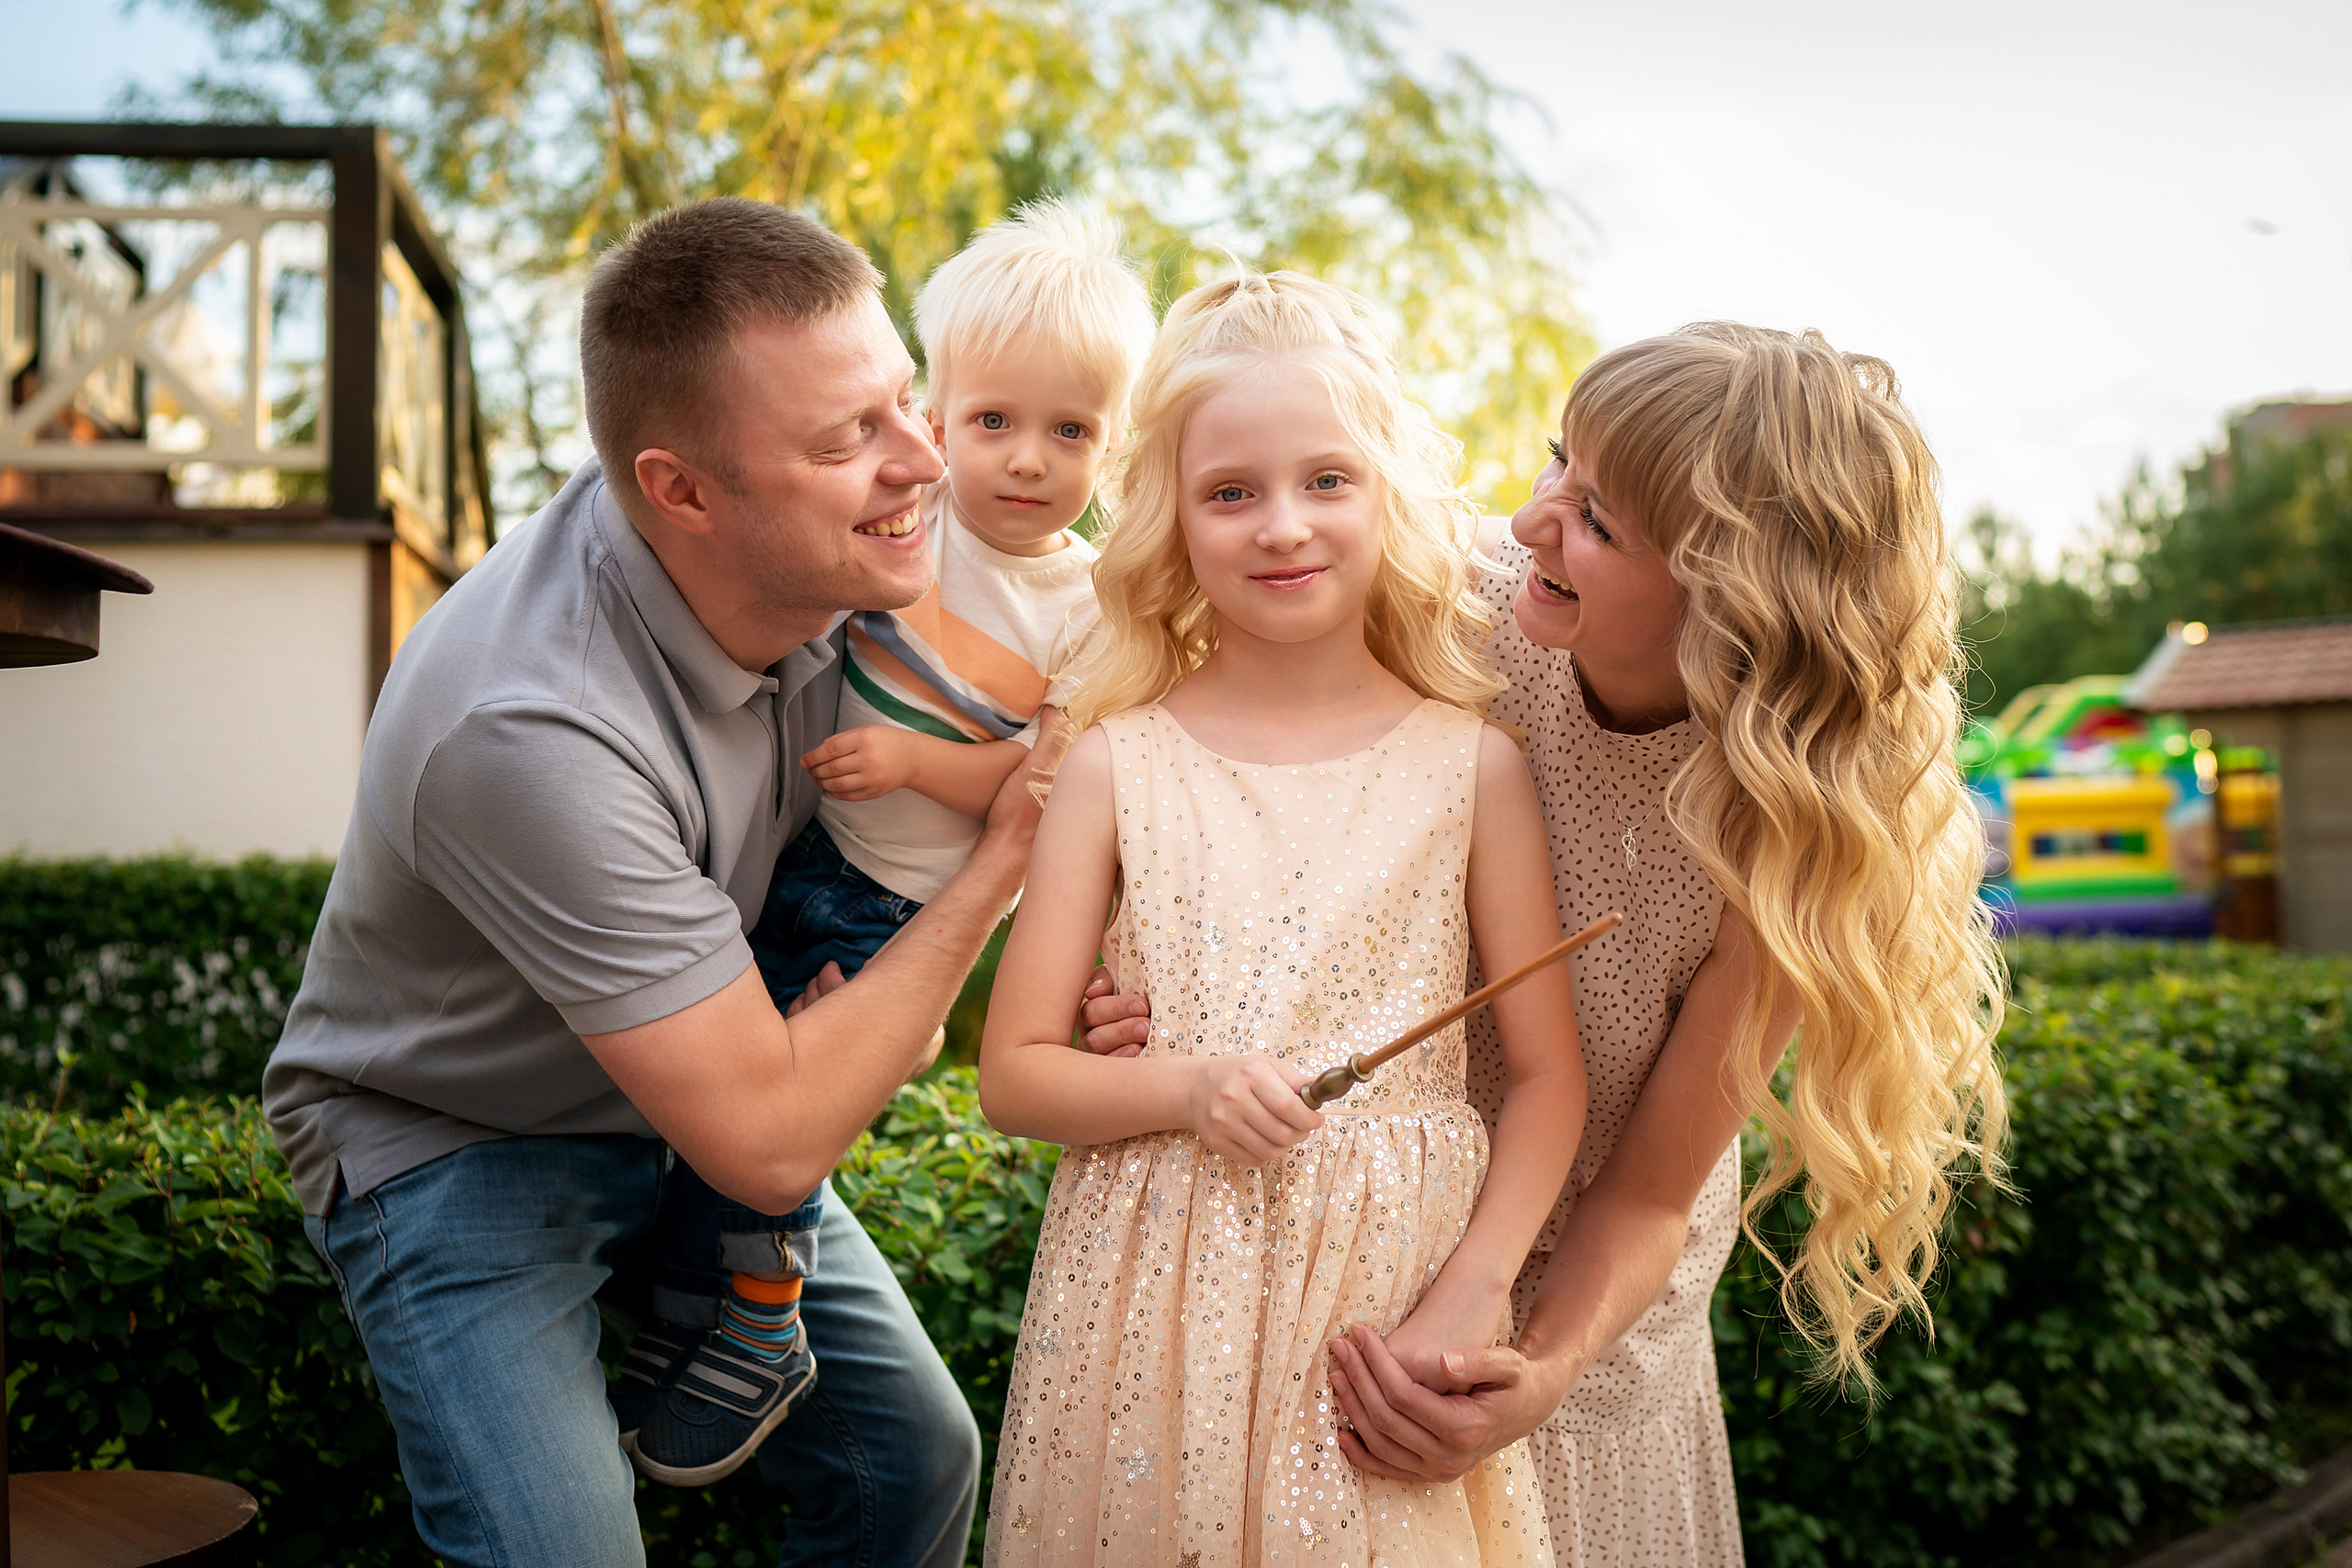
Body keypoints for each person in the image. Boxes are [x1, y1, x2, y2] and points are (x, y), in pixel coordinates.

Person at [1082, 322, 2010, 1564]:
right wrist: (1152, 987)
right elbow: (1213, 782)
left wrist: (1537, 1362)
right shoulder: (1446, 607)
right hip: (1345, 1275)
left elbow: (1648, 1194)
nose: (1528, 525)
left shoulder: (1798, 830)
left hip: (1569, 1348)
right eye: (1554, 466)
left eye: (1597, 523)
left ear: (1730, 604)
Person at [262, 197, 1034, 1568]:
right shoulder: (528, 726)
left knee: (912, 1459)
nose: (924, 462)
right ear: (680, 489)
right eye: (850, 436)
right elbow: (772, 1139)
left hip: (691, 1069)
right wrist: (1008, 866)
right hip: (456, 1136)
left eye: (906, 399)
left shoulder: (831, 564)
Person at [977, 270, 1585, 1566]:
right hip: (1146, 1323)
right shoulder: (1112, 764)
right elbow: (1015, 1077)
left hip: (1383, 1320)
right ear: (1173, 521)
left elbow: (1545, 1081)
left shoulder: (1469, 766)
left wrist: (1476, 1290)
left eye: (1327, 481)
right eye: (1231, 492)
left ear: (1388, 497)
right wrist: (1187, 1088)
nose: (1282, 527)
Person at [623, 199, 1159, 1488]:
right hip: (806, 851)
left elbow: (1040, 790)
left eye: (1070, 431)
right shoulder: (914, 527)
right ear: (935, 415)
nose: (1027, 461)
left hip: (899, 900)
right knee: (714, 1064)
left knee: (795, 1088)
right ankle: (687, 1296)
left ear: (1113, 442)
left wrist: (922, 762)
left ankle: (762, 1315)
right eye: (992, 422)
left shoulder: (1082, 607)